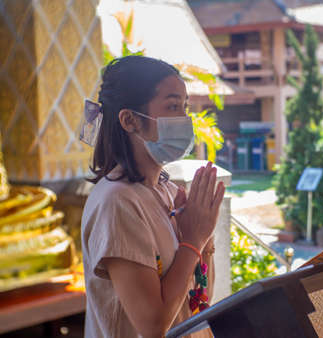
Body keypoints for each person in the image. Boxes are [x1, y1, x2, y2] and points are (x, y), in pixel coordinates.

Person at [81, 55, 225, 338]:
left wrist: (203, 238)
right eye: (172, 106)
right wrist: (192, 241)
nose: (184, 119)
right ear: (130, 120)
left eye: (184, 107)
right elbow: (153, 325)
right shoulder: (117, 202)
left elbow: (199, 300)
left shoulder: (167, 191)